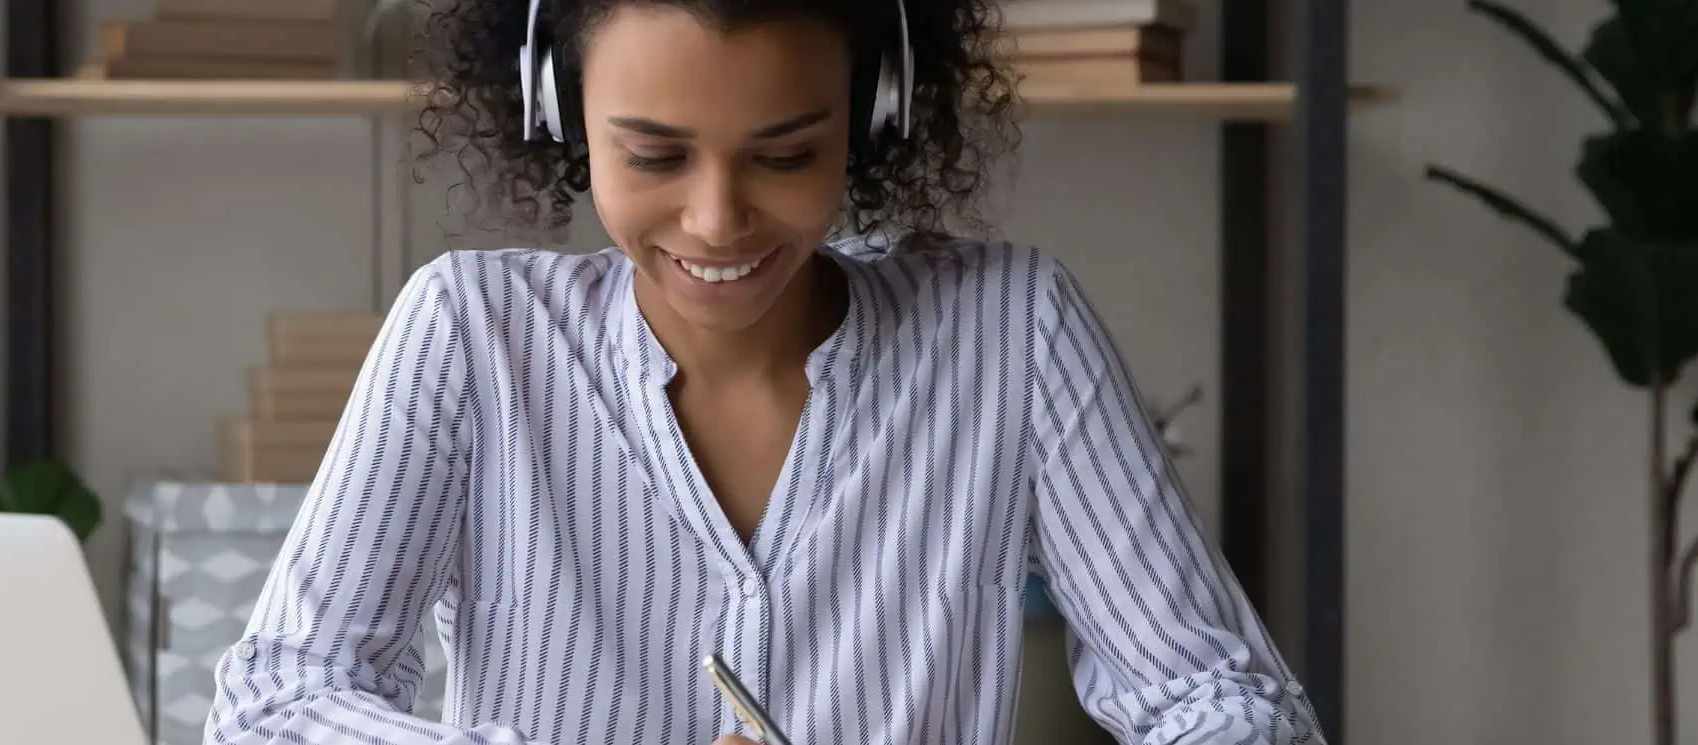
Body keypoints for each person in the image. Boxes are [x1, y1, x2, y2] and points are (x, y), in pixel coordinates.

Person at [206, 0, 1323, 744]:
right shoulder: (471, 333)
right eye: (651, 156)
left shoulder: (1011, 330)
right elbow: (274, 706)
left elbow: (1226, 702)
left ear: (874, 114)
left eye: (785, 156)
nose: (715, 219)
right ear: (557, 112)